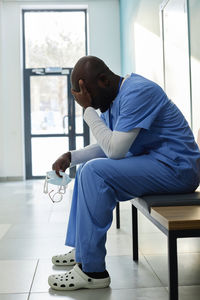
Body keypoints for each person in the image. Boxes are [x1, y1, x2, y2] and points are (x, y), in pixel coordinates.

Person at [48, 55, 200, 291]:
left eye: (91, 96)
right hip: (157, 162)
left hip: (178, 168)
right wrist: (71, 157)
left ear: (103, 80)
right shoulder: (112, 99)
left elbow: (115, 151)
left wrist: (88, 110)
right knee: (86, 171)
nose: (92, 103)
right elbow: (111, 142)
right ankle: (82, 248)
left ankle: (92, 271)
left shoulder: (138, 92)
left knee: (94, 173)